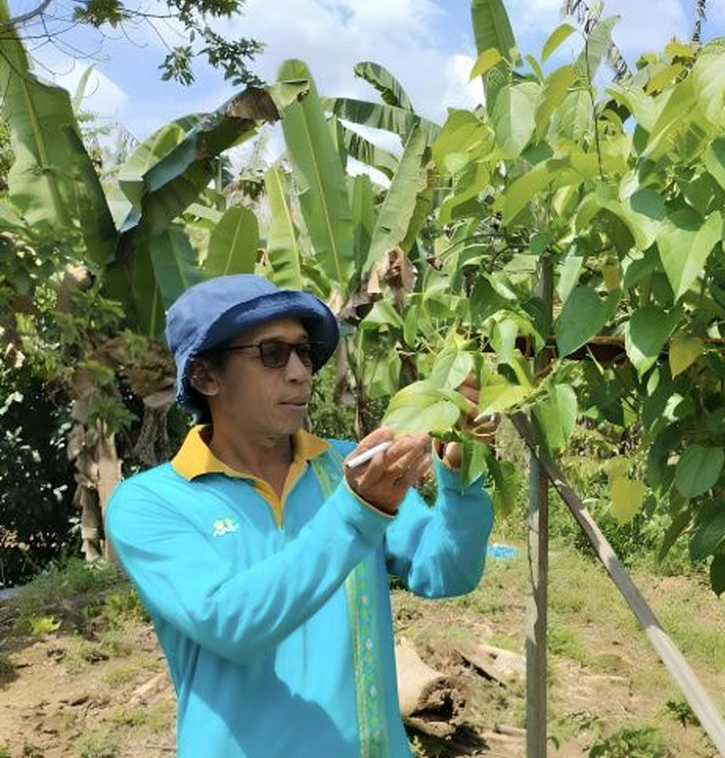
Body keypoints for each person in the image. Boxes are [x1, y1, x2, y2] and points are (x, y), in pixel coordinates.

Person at [104, 274, 495, 757]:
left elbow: (447, 572)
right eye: (272, 354)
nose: (299, 372)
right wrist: (356, 513)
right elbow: (230, 622)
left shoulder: (346, 468)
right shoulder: (153, 503)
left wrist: (459, 473)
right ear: (207, 377)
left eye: (304, 352)